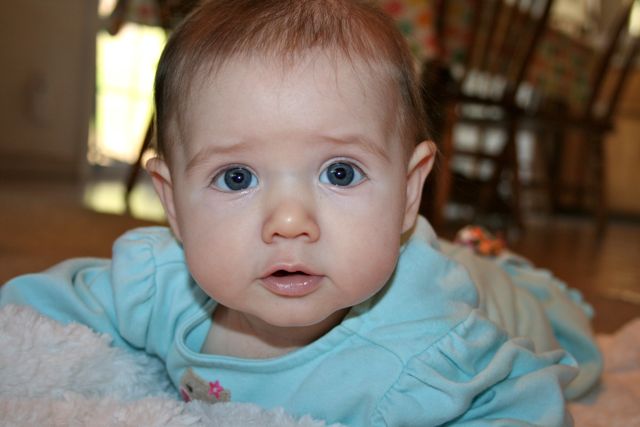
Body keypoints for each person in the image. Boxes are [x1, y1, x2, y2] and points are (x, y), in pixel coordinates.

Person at [0, 0, 601, 425]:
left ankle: (497, 262)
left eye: (340, 173)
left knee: (578, 349)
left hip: (495, 293)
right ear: (173, 203)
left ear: (408, 192)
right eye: (236, 177)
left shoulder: (429, 345)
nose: (289, 222)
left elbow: (529, 402)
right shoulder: (161, 286)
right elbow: (30, 319)